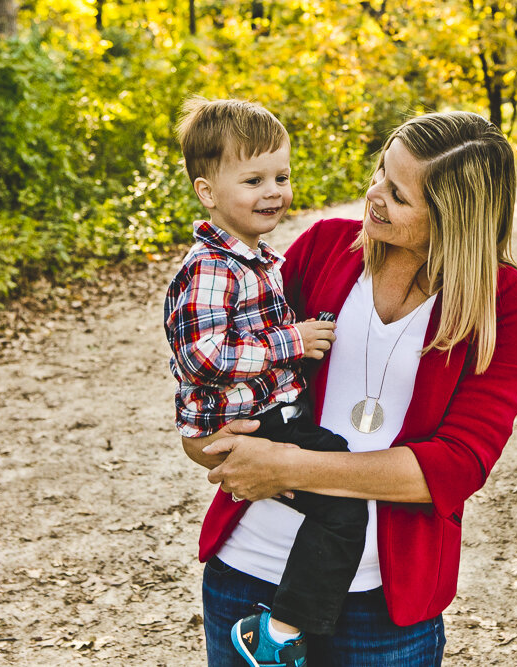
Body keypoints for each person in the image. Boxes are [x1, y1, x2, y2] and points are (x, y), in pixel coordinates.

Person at [183, 110, 517, 666]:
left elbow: (457, 465)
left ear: (455, 218)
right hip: (250, 571)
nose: (374, 195)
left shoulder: (505, 305)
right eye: (380, 172)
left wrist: (288, 468)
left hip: (384, 603)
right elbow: (223, 378)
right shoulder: (323, 248)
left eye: (398, 195)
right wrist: (210, 440)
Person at [164, 97, 373, 667]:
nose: (273, 191)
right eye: (253, 179)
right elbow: (201, 360)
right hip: (247, 422)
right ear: (208, 191)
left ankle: (287, 623)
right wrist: (293, 342)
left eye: (281, 176)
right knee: (344, 500)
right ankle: (278, 632)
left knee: (337, 482)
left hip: (267, 413)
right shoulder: (212, 267)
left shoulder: (256, 260)